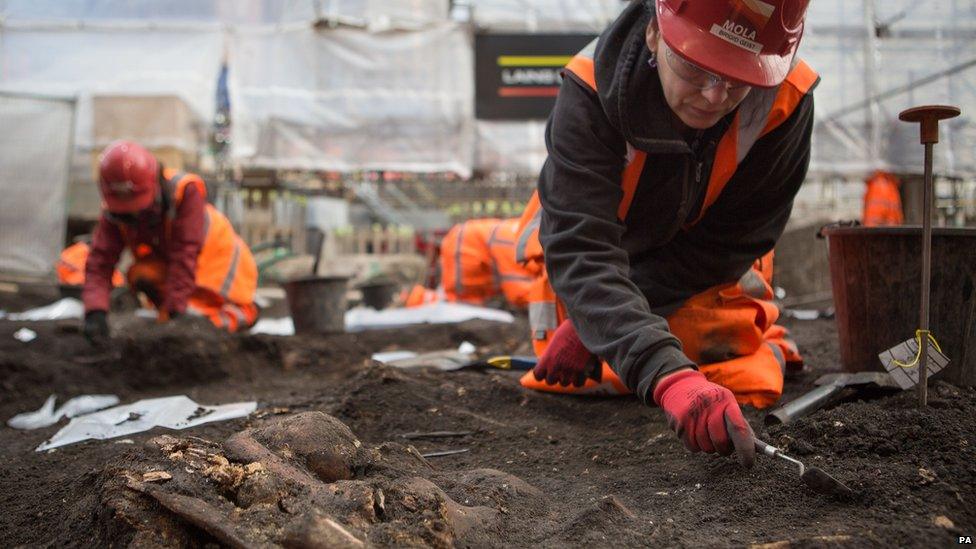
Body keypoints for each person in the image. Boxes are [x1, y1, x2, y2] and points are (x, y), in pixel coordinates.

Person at [517, 0, 818, 467]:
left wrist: (645, 354)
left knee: (733, 359)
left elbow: (727, 245)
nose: (715, 96)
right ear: (655, 34)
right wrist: (650, 359)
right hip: (604, 253)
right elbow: (581, 246)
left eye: (739, 78)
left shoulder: (786, 98)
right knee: (603, 360)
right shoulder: (591, 88)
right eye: (697, 68)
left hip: (700, 271)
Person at [82, 141, 259, 344]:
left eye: (136, 206)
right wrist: (95, 311)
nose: (132, 213)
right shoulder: (115, 211)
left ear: (154, 183)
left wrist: (175, 314)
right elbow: (100, 261)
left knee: (203, 324)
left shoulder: (184, 192)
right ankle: (183, 312)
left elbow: (185, 253)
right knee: (140, 274)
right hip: (181, 270)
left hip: (219, 266)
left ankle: (242, 313)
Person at [403, 218, 534, 309]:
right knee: (460, 305)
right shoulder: (515, 244)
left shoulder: (521, 234)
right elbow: (519, 293)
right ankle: (415, 301)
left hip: (463, 242)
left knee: (459, 303)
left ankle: (414, 300)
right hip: (464, 248)